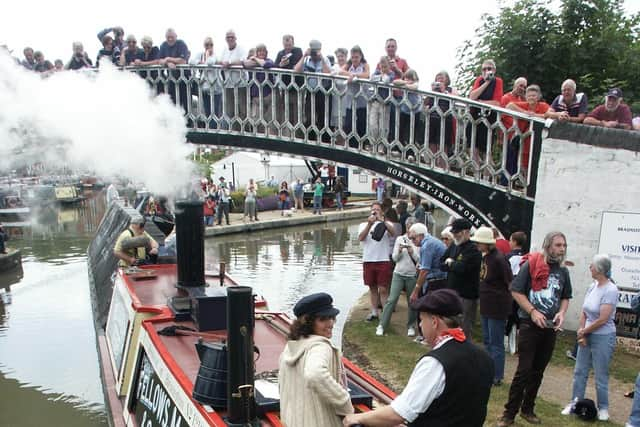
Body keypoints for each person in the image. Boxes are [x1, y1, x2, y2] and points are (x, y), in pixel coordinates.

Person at [343, 289, 494, 427]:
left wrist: (358, 418)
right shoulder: (484, 357)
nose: (420, 325)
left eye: (422, 320)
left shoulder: (435, 363)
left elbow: (398, 414)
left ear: (434, 322)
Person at [497, 231, 572, 427]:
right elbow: (516, 290)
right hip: (530, 325)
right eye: (558, 245)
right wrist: (532, 311)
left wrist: (562, 313)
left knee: (538, 371)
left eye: (564, 245)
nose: (562, 249)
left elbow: (565, 296)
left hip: (550, 327)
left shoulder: (563, 271)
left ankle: (527, 409)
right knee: (524, 370)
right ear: (548, 246)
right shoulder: (532, 265)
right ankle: (508, 414)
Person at [279, 292, 353, 427]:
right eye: (323, 319)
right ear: (307, 321)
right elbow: (315, 373)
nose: (330, 323)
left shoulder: (291, 346)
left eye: (332, 317)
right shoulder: (320, 346)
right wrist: (345, 403)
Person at [561, 254, 618, 421]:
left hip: (603, 336)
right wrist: (581, 332)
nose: (590, 268)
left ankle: (603, 408)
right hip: (586, 333)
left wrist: (584, 331)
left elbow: (603, 318)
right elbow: (585, 311)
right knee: (580, 371)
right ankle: (575, 403)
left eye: (592, 265)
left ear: (600, 269)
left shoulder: (611, 289)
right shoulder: (591, 286)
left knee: (601, 374)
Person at [472, 226, 513, 386]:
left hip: (497, 306)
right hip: (486, 304)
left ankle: (497, 375)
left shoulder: (499, 259)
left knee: (496, 343)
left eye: (480, 242)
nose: (477, 245)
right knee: (487, 340)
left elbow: (509, 281)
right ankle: (488, 370)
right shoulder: (486, 257)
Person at [376, 216, 420, 337]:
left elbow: (419, 260)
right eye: (408, 226)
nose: (410, 229)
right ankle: (382, 324)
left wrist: (412, 252)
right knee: (392, 299)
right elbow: (395, 258)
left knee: (411, 301)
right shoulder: (400, 239)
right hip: (398, 274)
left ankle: (411, 325)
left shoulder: (419, 241)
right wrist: (400, 251)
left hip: (411, 275)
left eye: (412, 227)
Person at [441, 218, 482, 338]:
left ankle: (465, 351)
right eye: (453, 232)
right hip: (451, 290)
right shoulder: (454, 245)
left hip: (466, 294)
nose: (454, 235)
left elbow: (463, 268)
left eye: (457, 233)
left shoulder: (473, 249)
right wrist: (451, 264)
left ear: (465, 232)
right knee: (449, 323)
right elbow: (441, 262)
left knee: (464, 326)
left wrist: (451, 264)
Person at [358, 202, 396, 321]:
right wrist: (370, 224)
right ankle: (374, 312)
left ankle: (385, 314)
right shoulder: (364, 224)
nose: (375, 211)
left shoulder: (386, 224)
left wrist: (382, 221)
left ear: (382, 211)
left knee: (383, 288)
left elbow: (393, 233)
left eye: (377, 209)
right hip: (368, 259)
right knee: (372, 287)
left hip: (383, 259)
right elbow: (361, 238)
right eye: (373, 209)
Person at [505, 84, 550, 179]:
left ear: (539, 97)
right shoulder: (524, 105)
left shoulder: (543, 106)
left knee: (536, 167)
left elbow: (550, 114)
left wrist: (534, 116)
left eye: (533, 95)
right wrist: (524, 113)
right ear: (525, 97)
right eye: (529, 96)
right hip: (524, 142)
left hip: (538, 142)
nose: (531, 98)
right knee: (523, 167)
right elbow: (509, 106)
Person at [467, 59, 503, 162]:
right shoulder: (479, 80)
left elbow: (497, 103)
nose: (486, 71)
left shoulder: (498, 81)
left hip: (488, 118)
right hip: (474, 117)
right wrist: (486, 83)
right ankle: (476, 174)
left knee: (487, 151)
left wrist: (480, 101)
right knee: (472, 148)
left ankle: (487, 176)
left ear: (494, 70)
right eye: (484, 69)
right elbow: (472, 97)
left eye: (489, 69)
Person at [294, 39, 331, 141]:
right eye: (313, 51)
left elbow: (328, 73)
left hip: (323, 93)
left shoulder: (325, 60)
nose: (314, 54)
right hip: (310, 92)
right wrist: (304, 56)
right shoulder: (307, 60)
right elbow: (296, 70)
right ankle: (310, 139)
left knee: (323, 118)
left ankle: (323, 141)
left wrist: (321, 58)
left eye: (316, 51)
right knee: (309, 117)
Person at [339, 45, 370, 144]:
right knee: (348, 124)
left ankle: (361, 144)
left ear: (360, 56)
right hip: (350, 100)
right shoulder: (349, 65)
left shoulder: (364, 64)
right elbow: (341, 71)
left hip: (361, 99)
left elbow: (367, 75)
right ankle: (350, 144)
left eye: (356, 57)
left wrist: (356, 76)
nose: (354, 59)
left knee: (361, 123)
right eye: (353, 57)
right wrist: (350, 75)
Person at [409, 221, 447, 300]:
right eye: (410, 238)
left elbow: (424, 271)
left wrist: (415, 291)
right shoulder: (431, 241)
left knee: (428, 309)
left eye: (413, 238)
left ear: (421, 235)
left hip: (435, 281)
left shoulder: (427, 245)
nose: (412, 241)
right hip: (439, 279)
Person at [189, 37, 222, 127]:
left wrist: (207, 56)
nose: (209, 47)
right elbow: (190, 61)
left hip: (216, 87)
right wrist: (200, 61)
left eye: (211, 45)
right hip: (204, 87)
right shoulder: (200, 54)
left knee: (214, 112)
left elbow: (210, 63)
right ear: (204, 46)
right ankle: (210, 129)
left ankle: (214, 131)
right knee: (207, 111)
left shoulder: (216, 55)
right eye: (207, 45)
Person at [274, 34, 304, 133]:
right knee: (287, 113)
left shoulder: (298, 51)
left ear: (293, 42)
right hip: (285, 88)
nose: (287, 43)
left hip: (297, 88)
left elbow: (296, 66)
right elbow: (275, 68)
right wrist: (280, 65)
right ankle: (288, 133)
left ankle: (297, 134)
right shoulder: (280, 53)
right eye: (285, 41)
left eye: (288, 40)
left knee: (297, 114)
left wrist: (286, 65)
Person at [244, 43, 275, 133]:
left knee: (270, 121)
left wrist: (256, 59)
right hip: (256, 97)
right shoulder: (252, 62)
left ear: (266, 52)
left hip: (268, 96)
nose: (261, 53)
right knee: (255, 121)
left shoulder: (269, 60)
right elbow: (245, 64)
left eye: (263, 51)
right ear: (256, 52)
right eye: (259, 51)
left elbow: (266, 65)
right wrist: (253, 60)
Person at [158, 28, 190, 114]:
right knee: (173, 104)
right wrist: (168, 63)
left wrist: (168, 59)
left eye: (172, 37)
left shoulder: (181, 44)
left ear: (176, 36)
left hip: (184, 79)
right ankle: (175, 124)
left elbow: (183, 60)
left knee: (186, 104)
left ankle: (188, 124)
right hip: (171, 79)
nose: (170, 39)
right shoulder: (163, 45)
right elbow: (160, 61)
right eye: (168, 37)